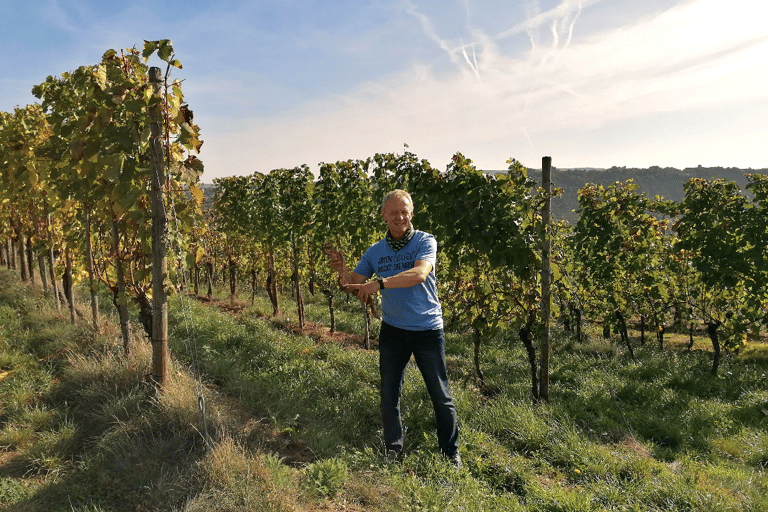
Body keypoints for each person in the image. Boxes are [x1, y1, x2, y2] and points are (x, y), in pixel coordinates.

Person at [330, 189, 460, 465]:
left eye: (404, 211)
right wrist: (341, 271)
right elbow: (354, 283)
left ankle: (450, 453)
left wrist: (379, 283)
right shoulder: (375, 251)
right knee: (389, 393)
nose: (400, 217)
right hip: (393, 330)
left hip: (426, 328)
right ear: (384, 216)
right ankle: (393, 447)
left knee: (441, 395)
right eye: (394, 213)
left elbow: (419, 274)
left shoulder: (426, 241)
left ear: (411, 213)